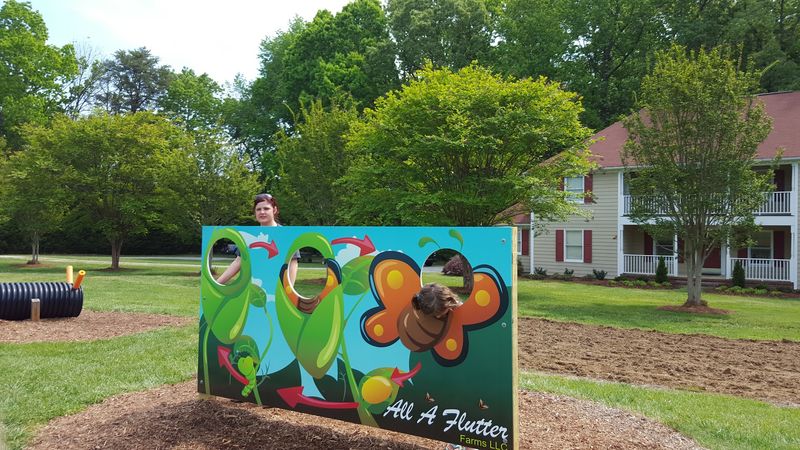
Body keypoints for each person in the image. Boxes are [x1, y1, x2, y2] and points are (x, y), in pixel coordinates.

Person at [216, 193, 299, 284]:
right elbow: (239, 261)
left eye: (266, 208)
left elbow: (293, 264)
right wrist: (217, 284)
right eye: (258, 209)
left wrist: (288, 291)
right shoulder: (250, 236)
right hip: (254, 289)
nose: (262, 212)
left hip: (277, 288)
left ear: (274, 210)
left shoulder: (286, 235)